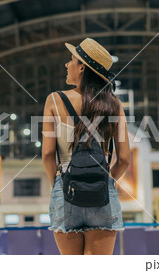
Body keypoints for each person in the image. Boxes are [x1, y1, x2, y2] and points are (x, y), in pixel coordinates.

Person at [41, 38, 131, 255]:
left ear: (82, 66)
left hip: (65, 188)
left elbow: (47, 154)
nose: (66, 65)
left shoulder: (54, 100)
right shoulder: (113, 104)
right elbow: (125, 158)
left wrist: (58, 183)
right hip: (101, 191)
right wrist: (108, 182)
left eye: (71, 60)